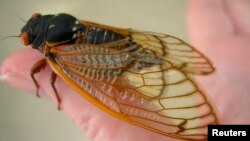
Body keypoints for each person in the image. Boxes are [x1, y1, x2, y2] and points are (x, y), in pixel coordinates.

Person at [1, 0, 249, 140]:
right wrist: (235, 133)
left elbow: (47, 78)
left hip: (112, 60)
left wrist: (229, 133)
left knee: (112, 96)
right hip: (118, 42)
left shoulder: (54, 55)